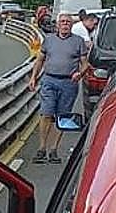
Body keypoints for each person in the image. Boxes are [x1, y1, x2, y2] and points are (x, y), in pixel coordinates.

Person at [29, 12, 90, 164]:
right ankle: (42, 147)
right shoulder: (49, 41)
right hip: (49, 80)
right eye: (62, 22)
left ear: (71, 25)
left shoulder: (78, 41)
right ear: (57, 25)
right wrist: (33, 77)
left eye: (67, 22)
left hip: (68, 83)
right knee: (46, 113)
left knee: (62, 117)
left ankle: (53, 149)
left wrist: (80, 74)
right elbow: (40, 60)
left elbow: (85, 64)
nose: (65, 25)